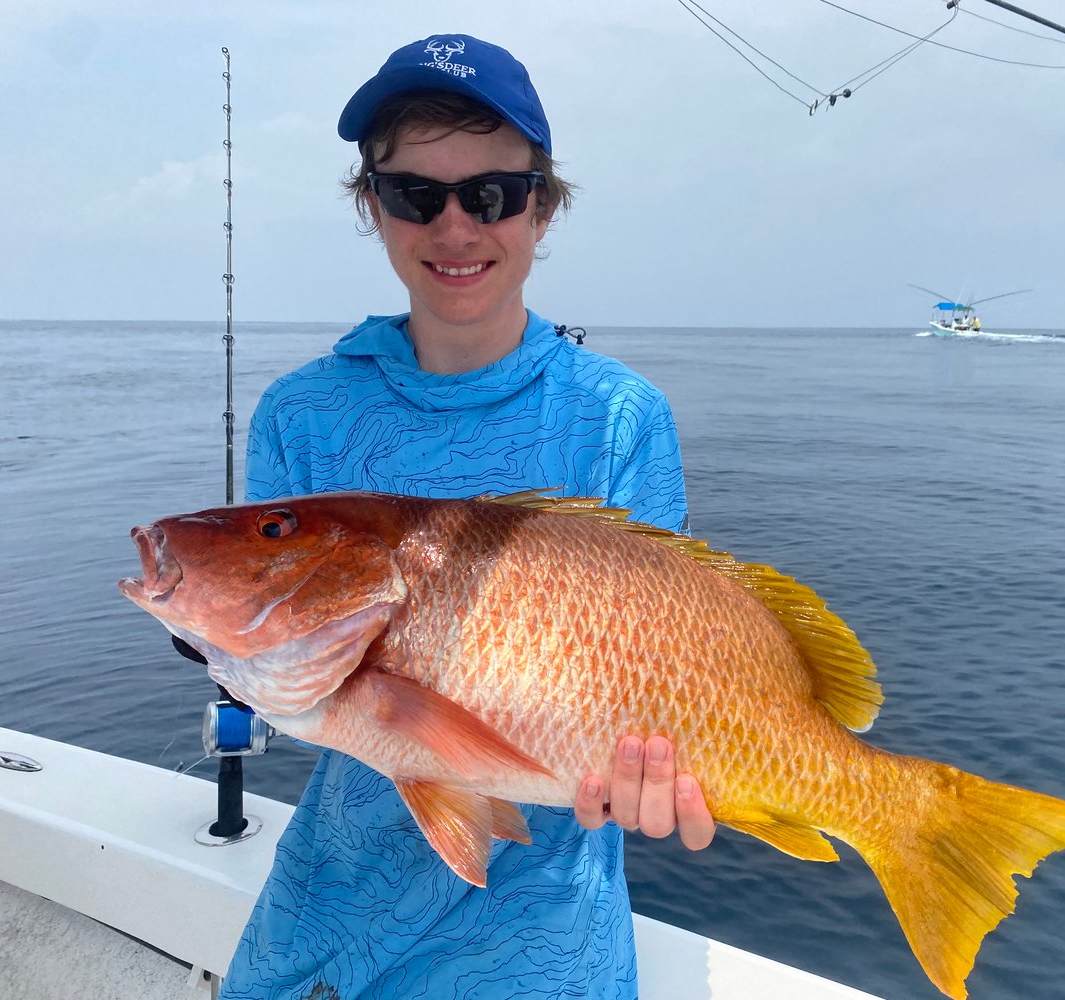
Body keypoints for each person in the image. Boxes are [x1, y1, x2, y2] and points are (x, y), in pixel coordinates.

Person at [221, 33, 715, 1000]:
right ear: (374, 207)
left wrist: (661, 780)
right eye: (416, 195)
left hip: (548, 942)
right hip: (332, 919)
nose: (455, 226)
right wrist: (225, 653)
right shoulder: (302, 415)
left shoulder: (619, 418)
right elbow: (280, 673)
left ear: (542, 207)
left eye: (492, 193)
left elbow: (676, 651)